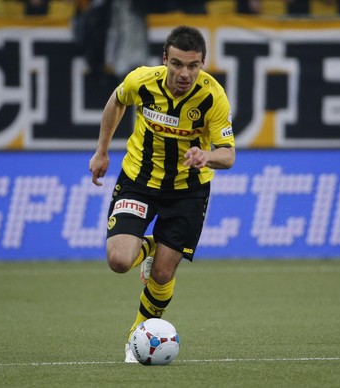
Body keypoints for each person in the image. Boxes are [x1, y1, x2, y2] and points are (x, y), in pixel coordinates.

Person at [88, 25, 236, 363]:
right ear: (165, 59)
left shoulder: (213, 96)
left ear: (202, 63)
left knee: (164, 273)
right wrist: (101, 151)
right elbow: (116, 100)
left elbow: (228, 154)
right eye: (179, 64)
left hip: (188, 191)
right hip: (139, 180)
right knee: (119, 261)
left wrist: (206, 156)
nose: (185, 73)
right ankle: (152, 245)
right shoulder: (142, 80)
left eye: (194, 65)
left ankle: (134, 340)